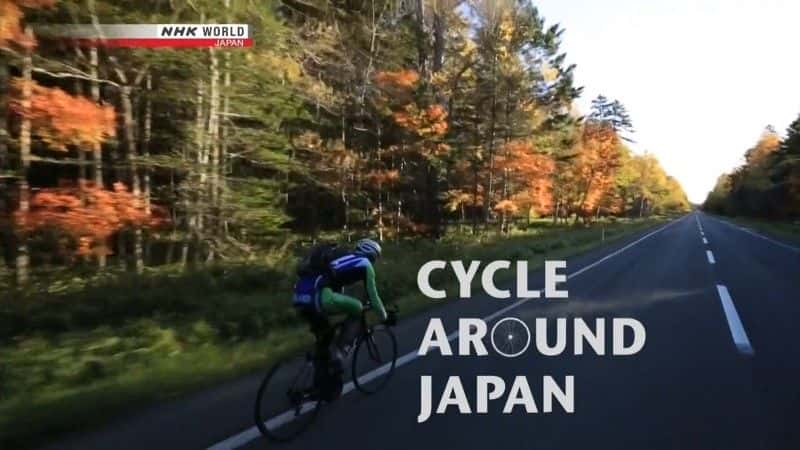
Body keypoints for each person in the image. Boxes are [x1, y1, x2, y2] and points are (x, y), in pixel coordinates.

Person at [292, 238, 389, 399]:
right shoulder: (365, 264)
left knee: (323, 342)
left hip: (301, 297)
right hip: (320, 298)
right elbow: (373, 296)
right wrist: (384, 316)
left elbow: (335, 287)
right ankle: (340, 351)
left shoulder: (340, 257)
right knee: (358, 308)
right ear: (373, 255)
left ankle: (325, 387)